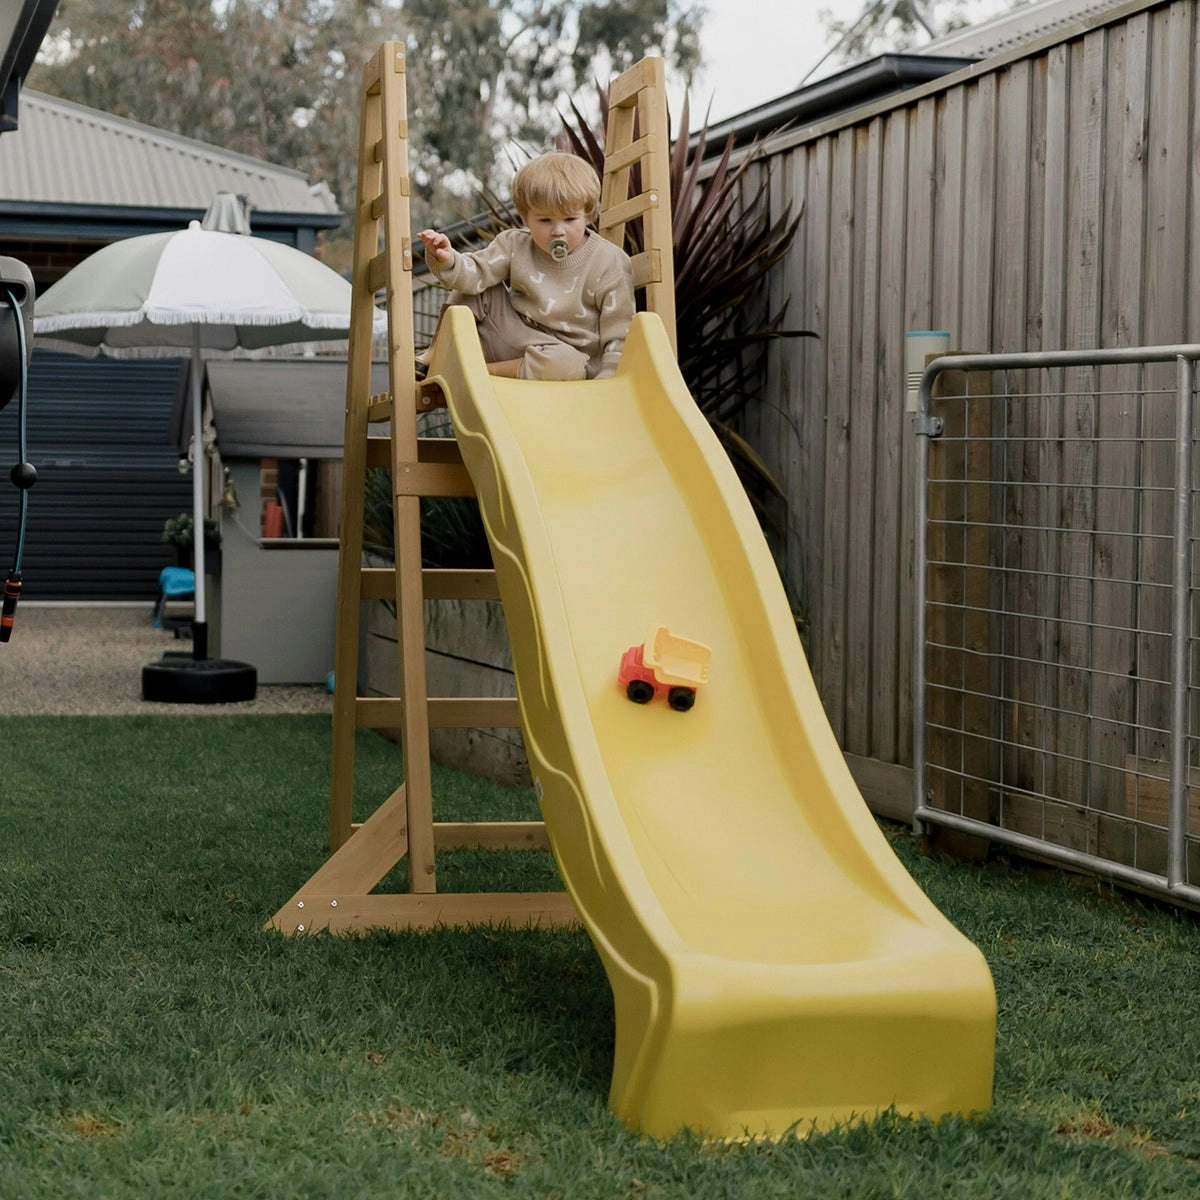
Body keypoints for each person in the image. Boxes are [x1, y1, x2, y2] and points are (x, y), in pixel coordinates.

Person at [417, 152, 635, 381]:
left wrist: (609, 381)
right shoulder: (513, 244)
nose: (558, 230)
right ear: (526, 217)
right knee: (476, 284)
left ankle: (480, 372)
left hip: (562, 358)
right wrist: (446, 259)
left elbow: (620, 333)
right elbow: (470, 274)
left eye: (570, 219)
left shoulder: (609, 261)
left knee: (567, 364)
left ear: (588, 214)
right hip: (513, 336)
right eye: (544, 220)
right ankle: (434, 356)